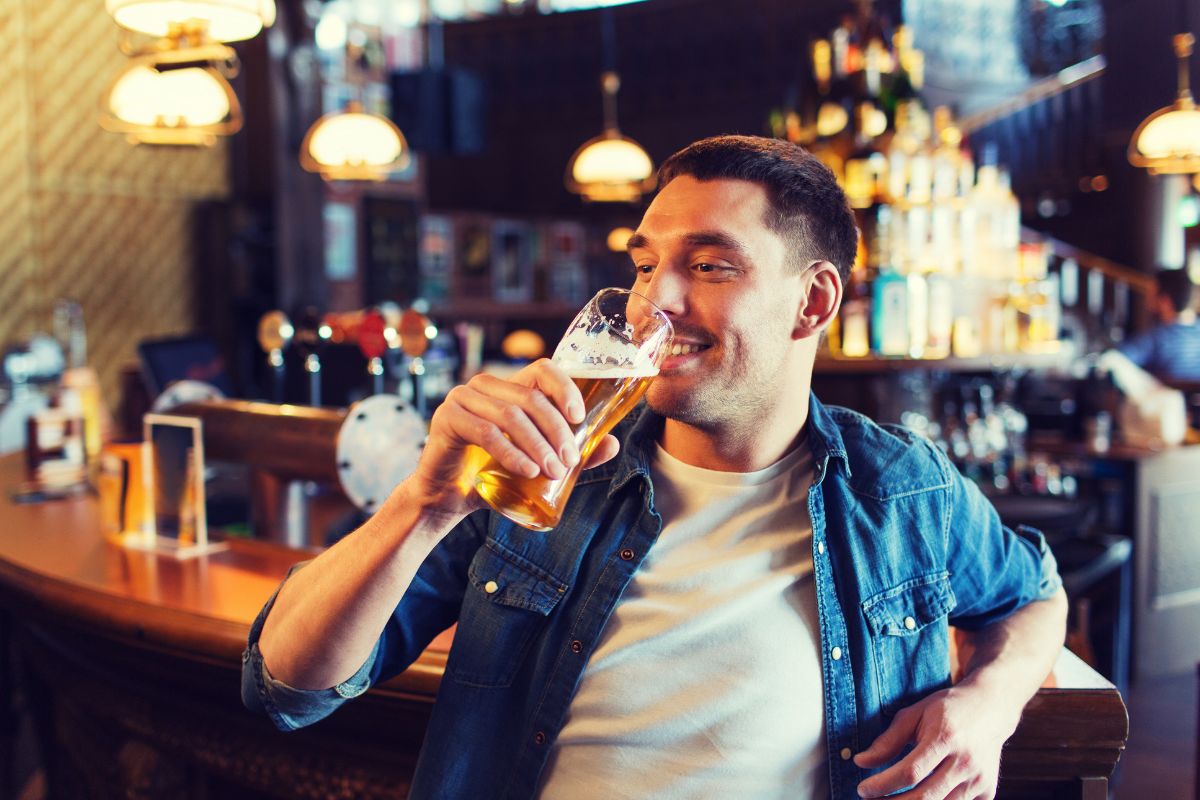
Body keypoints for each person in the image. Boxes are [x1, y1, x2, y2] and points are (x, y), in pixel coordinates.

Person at [242, 136, 1066, 800]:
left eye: (708, 266)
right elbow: (285, 686)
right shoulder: (548, 470)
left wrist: (987, 704)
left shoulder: (902, 489)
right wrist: (421, 506)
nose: (652, 301)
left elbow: (1034, 597)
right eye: (643, 264)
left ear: (813, 303)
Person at [1117, 267, 1200, 383]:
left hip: (1166, 399)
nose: (1146, 297)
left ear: (1165, 301)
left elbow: (1115, 359)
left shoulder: (1157, 337)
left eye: (1151, 292)